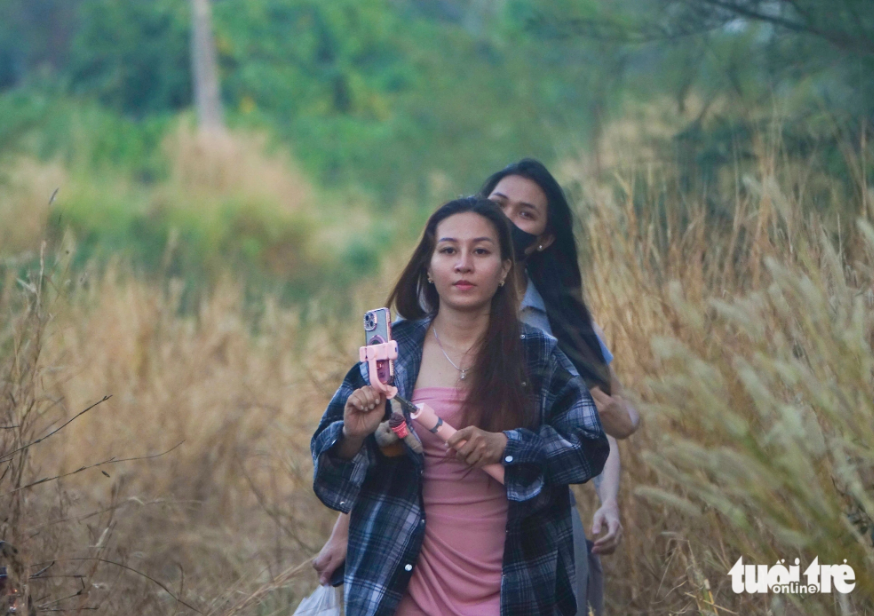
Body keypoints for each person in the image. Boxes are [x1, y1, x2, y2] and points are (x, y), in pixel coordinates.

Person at [314, 161, 640, 615]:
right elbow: (330, 468)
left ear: (505, 268)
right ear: (428, 266)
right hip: (403, 587)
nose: (464, 265)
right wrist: (354, 434)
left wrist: (507, 446)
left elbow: (588, 445)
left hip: (519, 583)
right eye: (448, 251)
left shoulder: (540, 353)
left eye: (481, 252)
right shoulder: (394, 353)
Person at [481, 159, 640, 615]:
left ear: (544, 238)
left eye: (525, 214)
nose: (508, 219)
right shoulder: (438, 305)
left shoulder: (561, 320)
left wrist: (607, 501)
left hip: (541, 517)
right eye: (498, 205)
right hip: (447, 511)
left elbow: (607, 414)